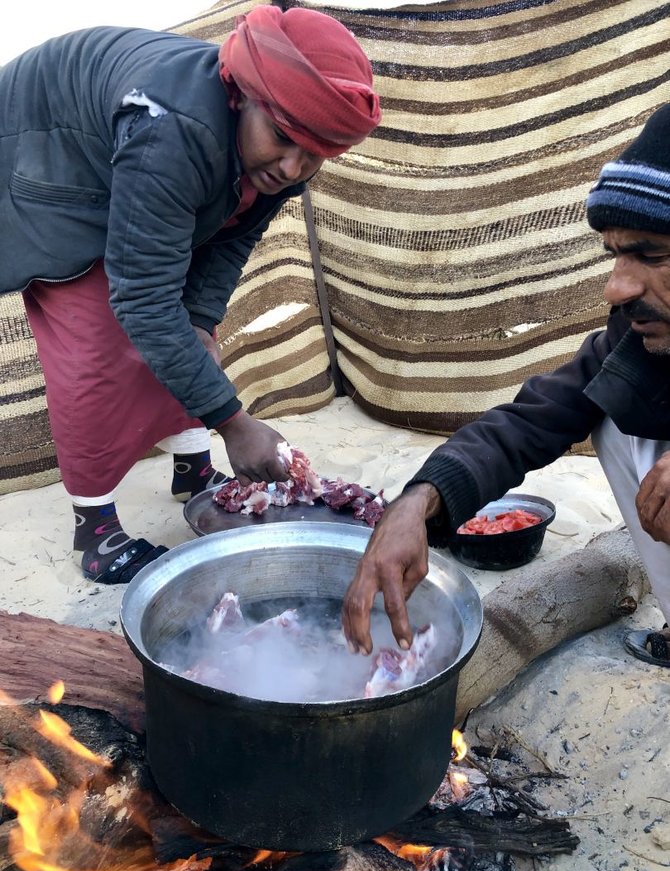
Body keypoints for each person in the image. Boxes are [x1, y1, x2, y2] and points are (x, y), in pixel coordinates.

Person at [0, 6, 381, 584]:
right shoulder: (171, 128)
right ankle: (94, 527)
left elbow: (234, 238)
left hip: (137, 159)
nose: (292, 165)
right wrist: (233, 421)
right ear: (241, 96)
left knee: (191, 334)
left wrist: (202, 321)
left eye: (314, 156)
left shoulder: (292, 147)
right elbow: (143, 302)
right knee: (98, 343)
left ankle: (193, 473)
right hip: (51, 160)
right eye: (281, 139)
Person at [342, 103, 670, 668]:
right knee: (617, 415)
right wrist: (419, 503)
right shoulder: (637, 334)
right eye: (614, 255)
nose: (617, 287)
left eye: (652, 254)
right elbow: (533, 418)